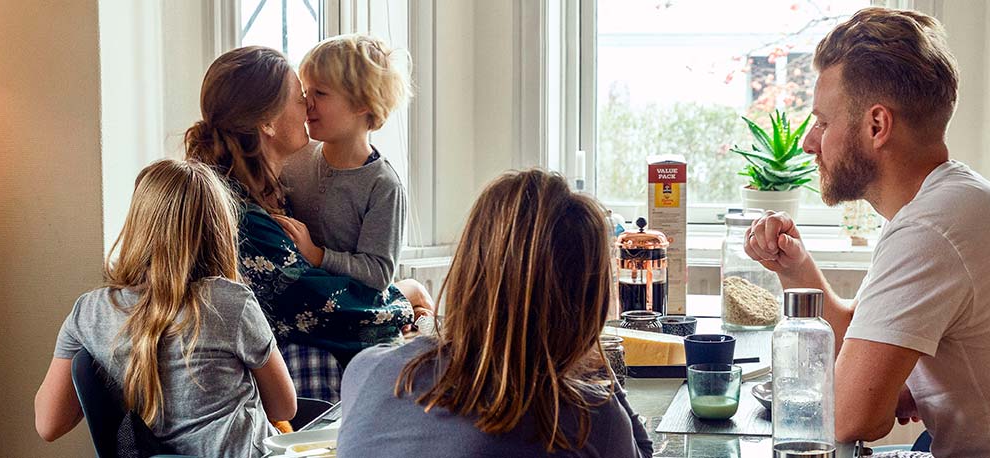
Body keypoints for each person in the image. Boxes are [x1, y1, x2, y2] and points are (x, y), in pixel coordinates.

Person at [743, 7, 990, 456]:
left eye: (822, 121)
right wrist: (795, 268)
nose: (808, 141)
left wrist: (873, 395)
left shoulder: (933, 229)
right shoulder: (953, 202)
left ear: (877, 125)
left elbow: (848, 419)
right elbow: (860, 333)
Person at [337, 169, 654, 457]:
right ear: (589, 303)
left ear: (467, 266)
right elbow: (643, 451)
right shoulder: (589, 417)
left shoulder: (365, 371)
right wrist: (596, 362)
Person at [184, 46, 433, 402]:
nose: (308, 106)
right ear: (266, 123)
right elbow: (324, 308)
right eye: (300, 95)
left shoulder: (270, 189)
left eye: (317, 94)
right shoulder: (243, 217)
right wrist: (404, 296)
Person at [32, 159, 297, 458]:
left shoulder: (90, 312)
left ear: (137, 225)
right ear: (218, 232)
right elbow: (285, 406)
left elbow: (48, 424)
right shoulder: (230, 302)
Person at [277, 33, 414, 291]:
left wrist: (318, 255)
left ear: (361, 103)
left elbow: (379, 273)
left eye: (320, 93)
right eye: (306, 91)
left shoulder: (384, 186)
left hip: (351, 317)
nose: (307, 102)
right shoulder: (295, 158)